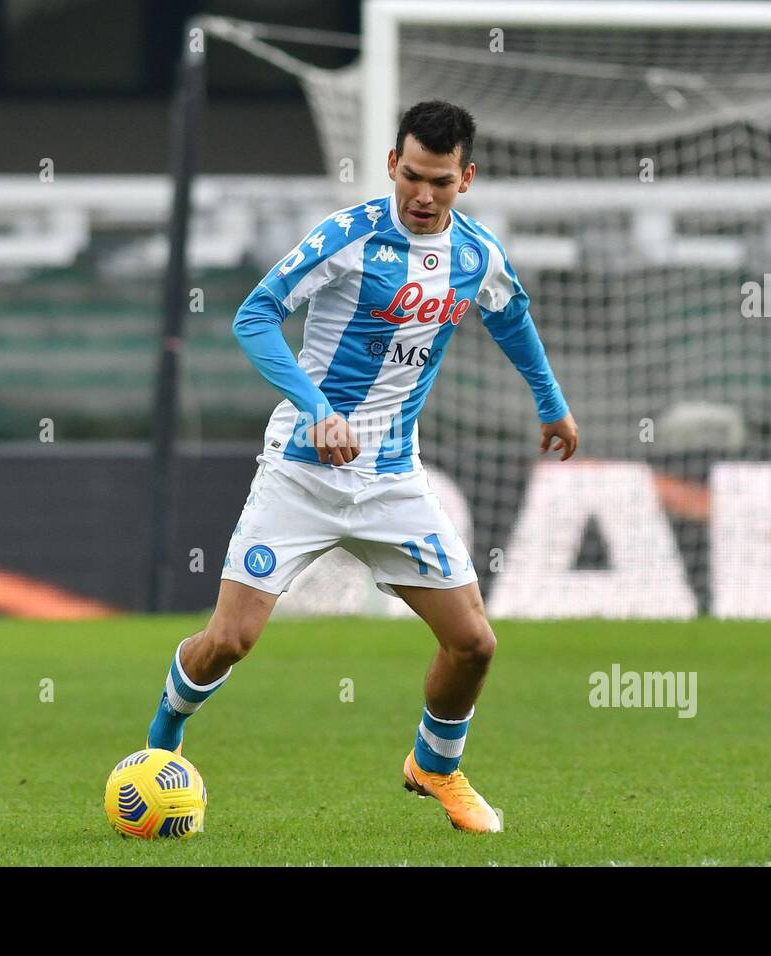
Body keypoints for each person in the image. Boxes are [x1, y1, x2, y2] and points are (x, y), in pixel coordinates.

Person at [145, 101, 577, 832]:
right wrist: (315, 407)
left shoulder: (476, 256)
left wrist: (551, 402)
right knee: (231, 641)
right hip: (302, 470)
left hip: (391, 480)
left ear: (465, 178)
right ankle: (160, 747)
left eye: (439, 181)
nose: (421, 194)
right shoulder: (347, 237)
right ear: (390, 165)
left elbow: (510, 315)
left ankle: (434, 767)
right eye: (410, 175)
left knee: (474, 643)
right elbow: (254, 315)